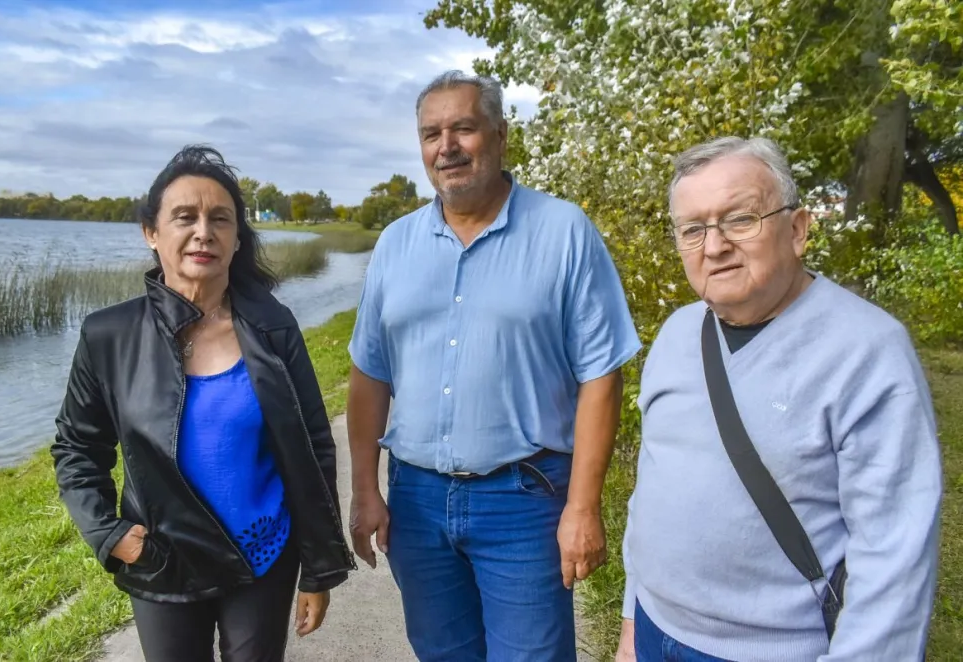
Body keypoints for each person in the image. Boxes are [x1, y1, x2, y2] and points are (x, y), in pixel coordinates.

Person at [345, 69, 641, 661]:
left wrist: (582, 507)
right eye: (431, 133)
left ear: (501, 136)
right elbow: (369, 375)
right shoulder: (395, 245)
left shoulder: (564, 232)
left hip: (524, 500)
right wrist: (363, 490)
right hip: (417, 503)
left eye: (463, 128)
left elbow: (601, 376)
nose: (446, 146)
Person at [616, 136, 943, 662]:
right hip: (655, 632)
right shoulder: (678, 333)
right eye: (693, 229)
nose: (715, 245)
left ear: (797, 229)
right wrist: (633, 620)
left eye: (740, 219)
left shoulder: (867, 351)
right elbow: (651, 489)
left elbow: (895, 559)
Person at [50, 145, 355, 662]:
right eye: (184, 217)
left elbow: (313, 448)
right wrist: (111, 535)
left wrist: (318, 567)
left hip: (263, 556)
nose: (203, 232)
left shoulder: (273, 328)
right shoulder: (109, 336)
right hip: (164, 560)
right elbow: (77, 448)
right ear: (152, 232)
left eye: (220, 219)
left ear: (237, 239)